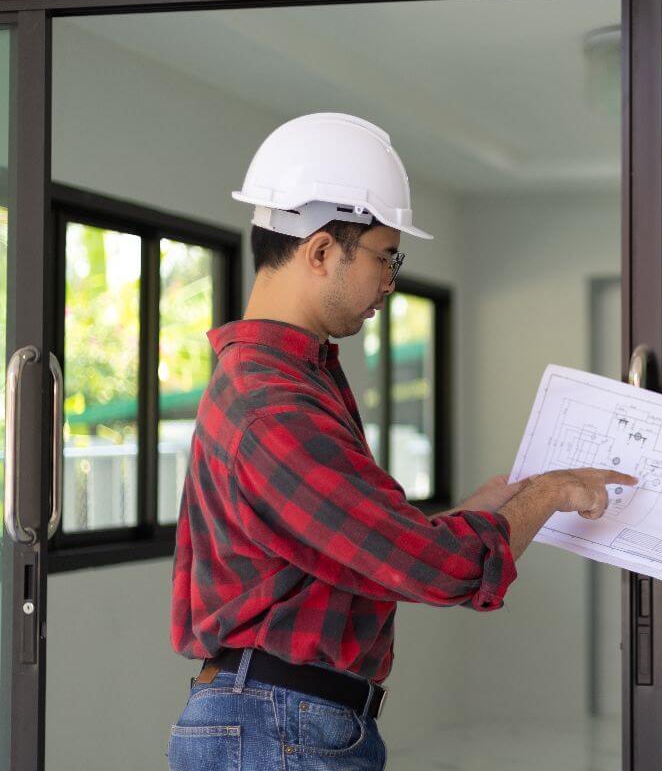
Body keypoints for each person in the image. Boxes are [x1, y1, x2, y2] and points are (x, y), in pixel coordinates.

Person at [168, 112, 636, 770]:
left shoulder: (287, 379)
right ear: (322, 251)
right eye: (385, 256)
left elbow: (352, 555)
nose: (390, 281)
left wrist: (489, 512)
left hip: (277, 721)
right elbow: (431, 567)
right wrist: (545, 496)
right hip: (278, 726)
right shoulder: (273, 402)